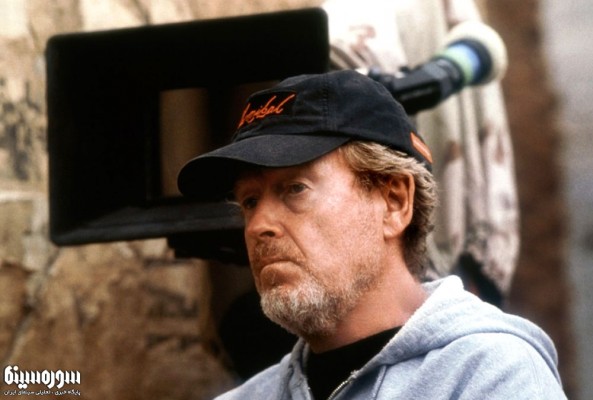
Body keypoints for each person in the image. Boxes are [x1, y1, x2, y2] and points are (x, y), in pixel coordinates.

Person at [177, 70, 566, 399]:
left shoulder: (490, 374)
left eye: (295, 188)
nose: (259, 225)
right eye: (249, 201)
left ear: (394, 202)